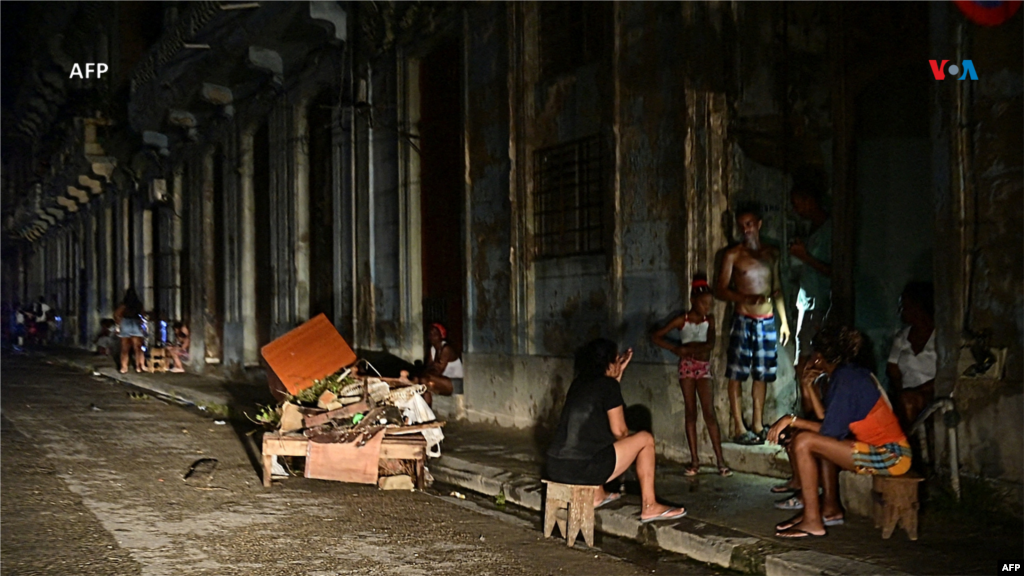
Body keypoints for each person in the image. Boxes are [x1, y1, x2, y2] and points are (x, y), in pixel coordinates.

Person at [766, 325, 911, 538]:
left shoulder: (847, 380)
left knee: (804, 441)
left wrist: (791, 420)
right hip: (880, 450)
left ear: (818, 357)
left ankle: (812, 521)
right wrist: (808, 385)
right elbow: (828, 421)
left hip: (891, 456)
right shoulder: (845, 375)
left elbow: (830, 430)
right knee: (812, 440)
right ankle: (829, 510)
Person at [546, 339, 687, 523]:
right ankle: (650, 506)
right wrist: (632, 451)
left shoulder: (579, 383)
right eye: (616, 360)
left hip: (555, 466)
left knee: (594, 442)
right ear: (609, 363)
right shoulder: (608, 386)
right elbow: (620, 431)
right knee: (645, 439)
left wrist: (616, 377)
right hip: (579, 470)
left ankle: (597, 496)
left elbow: (599, 413)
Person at [715, 205, 791, 444]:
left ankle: (757, 424)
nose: (745, 229)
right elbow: (720, 289)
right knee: (737, 372)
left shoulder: (771, 254)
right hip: (743, 318)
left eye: (749, 224)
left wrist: (784, 322)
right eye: (741, 225)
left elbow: (777, 289)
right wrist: (745, 298)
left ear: (758, 224)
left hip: (766, 320)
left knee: (763, 373)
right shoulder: (733, 254)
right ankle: (739, 426)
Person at [651, 274, 730, 476]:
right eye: (704, 303)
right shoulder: (682, 320)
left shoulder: (709, 320)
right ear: (693, 301)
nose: (707, 307)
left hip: (702, 367)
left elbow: (710, 345)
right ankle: (694, 461)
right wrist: (676, 349)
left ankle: (720, 461)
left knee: (709, 412)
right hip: (687, 366)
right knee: (690, 411)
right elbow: (656, 336)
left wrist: (687, 349)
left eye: (710, 304)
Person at [789, 167, 832, 389]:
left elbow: (834, 271)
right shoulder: (812, 229)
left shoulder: (830, 230)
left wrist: (804, 257)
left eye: (797, 204)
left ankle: (814, 413)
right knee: (802, 361)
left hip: (819, 304)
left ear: (809, 201)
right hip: (807, 301)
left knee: (810, 362)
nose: (795, 210)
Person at [886, 282, 936, 428]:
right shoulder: (901, 338)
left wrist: (917, 392)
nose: (900, 311)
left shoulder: (941, 337)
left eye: (904, 306)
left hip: (933, 395)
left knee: (908, 401)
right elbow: (893, 373)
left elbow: (947, 375)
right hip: (906, 398)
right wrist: (903, 393)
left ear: (917, 307)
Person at [418, 323, 461, 405]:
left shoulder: (446, 349)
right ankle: (427, 411)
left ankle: (428, 409)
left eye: (435, 334)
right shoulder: (433, 349)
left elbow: (438, 371)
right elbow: (428, 367)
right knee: (423, 381)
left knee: (424, 379)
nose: (432, 336)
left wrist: (427, 373)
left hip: (455, 382)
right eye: (430, 334)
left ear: (442, 335)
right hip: (442, 381)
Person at [114, 288, 147, 374]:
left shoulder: (123, 305)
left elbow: (117, 314)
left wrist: (118, 325)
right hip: (136, 323)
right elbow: (143, 314)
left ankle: (124, 367)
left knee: (125, 348)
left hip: (125, 323)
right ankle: (139, 366)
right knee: (138, 348)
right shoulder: (138, 304)